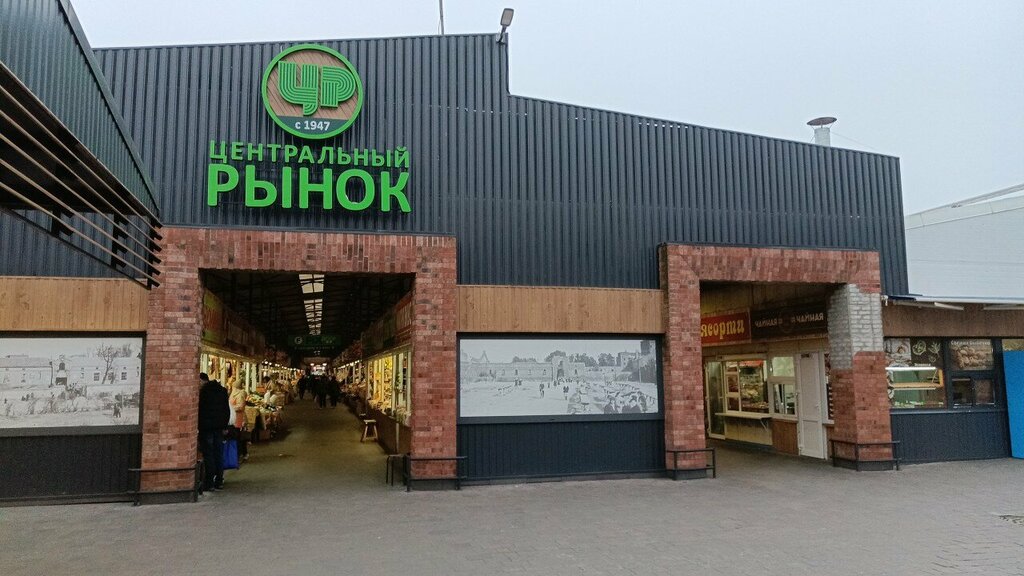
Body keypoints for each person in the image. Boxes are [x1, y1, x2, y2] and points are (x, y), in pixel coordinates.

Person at [198, 372, 230, 491]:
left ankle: (209, 482)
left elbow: (200, 410)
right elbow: (226, 410)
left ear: (203, 381)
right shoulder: (222, 391)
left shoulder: (203, 392)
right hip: (219, 428)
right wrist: (225, 426)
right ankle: (219, 481)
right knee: (219, 454)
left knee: (209, 455)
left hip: (206, 428)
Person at [228, 379, 249, 462]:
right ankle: (242, 453)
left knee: (238, 437)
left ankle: (240, 454)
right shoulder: (234, 393)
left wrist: (231, 408)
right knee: (239, 436)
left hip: (238, 418)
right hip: (235, 418)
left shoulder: (239, 394)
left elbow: (241, 406)